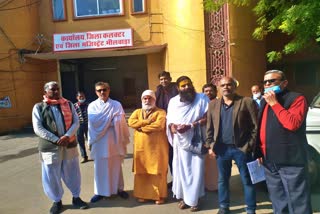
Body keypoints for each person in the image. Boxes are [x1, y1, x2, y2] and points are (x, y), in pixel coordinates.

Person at [255, 70, 312, 214]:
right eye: (265, 82)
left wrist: (274, 103)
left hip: (290, 160)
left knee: (297, 203)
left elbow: (292, 124)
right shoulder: (264, 101)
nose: (267, 84)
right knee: (278, 201)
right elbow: (261, 127)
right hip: (269, 160)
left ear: (284, 83)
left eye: (272, 81)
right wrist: (259, 151)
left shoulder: (296, 98)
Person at [32, 81, 88, 214]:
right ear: (46, 92)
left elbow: (76, 122)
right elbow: (38, 128)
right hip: (51, 148)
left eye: (58, 89)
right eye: (53, 90)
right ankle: (57, 201)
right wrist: (57, 140)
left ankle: (76, 197)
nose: (56, 92)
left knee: (72, 172)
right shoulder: (39, 107)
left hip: (69, 145)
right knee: (51, 175)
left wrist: (67, 136)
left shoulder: (68, 104)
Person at [205, 77, 257, 214]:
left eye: (229, 84)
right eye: (223, 85)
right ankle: (224, 207)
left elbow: (255, 126)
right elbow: (209, 127)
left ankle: (251, 209)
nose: (226, 87)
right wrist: (210, 145)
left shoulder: (246, 102)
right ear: (219, 88)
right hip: (221, 149)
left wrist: (249, 145)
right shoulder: (213, 105)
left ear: (235, 86)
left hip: (241, 148)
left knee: (247, 180)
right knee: (222, 180)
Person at [166, 76, 209, 212]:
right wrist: (172, 127)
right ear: (178, 88)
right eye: (183, 86)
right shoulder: (173, 102)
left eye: (188, 84)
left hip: (196, 139)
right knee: (182, 171)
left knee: (196, 170)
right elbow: (169, 120)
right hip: (180, 142)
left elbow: (209, 117)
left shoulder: (202, 98)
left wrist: (191, 125)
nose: (186, 88)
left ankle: (194, 200)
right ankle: (185, 198)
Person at [87, 81, 130, 203]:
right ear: (96, 92)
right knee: (100, 167)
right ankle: (99, 192)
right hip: (99, 141)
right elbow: (94, 123)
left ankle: (119, 189)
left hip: (114, 140)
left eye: (104, 90)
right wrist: (111, 120)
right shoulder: (92, 106)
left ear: (109, 90)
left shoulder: (116, 104)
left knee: (115, 165)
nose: (102, 92)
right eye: (99, 90)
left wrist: (111, 121)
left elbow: (121, 121)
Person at [128, 90, 169, 205]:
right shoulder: (137, 111)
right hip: (141, 149)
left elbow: (159, 125)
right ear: (141, 100)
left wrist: (141, 128)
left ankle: (159, 196)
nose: (147, 100)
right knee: (142, 172)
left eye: (149, 98)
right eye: (144, 98)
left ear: (154, 100)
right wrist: (147, 121)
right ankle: (142, 195)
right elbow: (131, 122)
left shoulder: (161, 112)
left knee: (157, 172)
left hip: (156, 149)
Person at [155, 71, 179, 187]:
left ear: (170, 79)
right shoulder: (158, 90)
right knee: (169, 154)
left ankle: (180, 180)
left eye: (165, 79)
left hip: (177, 124)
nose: (163, 81)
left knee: (178, 153)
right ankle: (175, 179)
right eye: (161, 79)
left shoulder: (176, 89)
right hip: (164, 124)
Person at [202, 83, 219, 192]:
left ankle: (215, 186)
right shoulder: (200, 103)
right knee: (204, 162)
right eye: (206, 91)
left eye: (211, 90)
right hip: (203, 134)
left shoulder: (219, 103)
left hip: (215, 136)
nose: (208, 93)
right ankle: (204, 184)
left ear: (216, 91)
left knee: (214, 163)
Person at [74, 91, 89, 163]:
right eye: (80, 97)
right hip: (79, 126)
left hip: (88, 125)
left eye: (83, 96)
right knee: (81, 141)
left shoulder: (88, 105)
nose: (82, 98)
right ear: (77, 98)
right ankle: (84, 156)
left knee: (91, 140)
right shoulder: (74, 106)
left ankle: (95, 155)